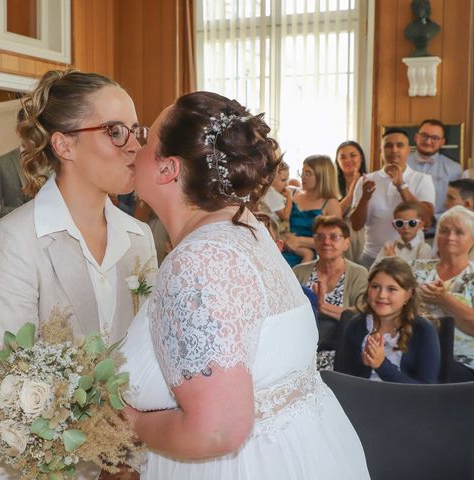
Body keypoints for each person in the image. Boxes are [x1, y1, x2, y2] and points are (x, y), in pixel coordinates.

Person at [119, 91, 369, 479]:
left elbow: (217, 429)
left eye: (147, 137)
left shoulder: (197, 261)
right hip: (303, 450)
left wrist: (130, 423)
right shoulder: (244, 225)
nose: (134, 146)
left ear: (168, 169)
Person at [0, 70, 157, 480]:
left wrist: (124, 452)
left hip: (128, 459)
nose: (135, 146)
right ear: (64, 144)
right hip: (29, 464)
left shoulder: (138, 237)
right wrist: (102, 451)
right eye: (115, 131)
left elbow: (146, 355)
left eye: (136, 131)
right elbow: (9, 390)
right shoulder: (13, 242)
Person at [335, 257, 440, 384]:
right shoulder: (356, 325)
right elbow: (342, 379)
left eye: (392, 289)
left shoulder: (423, 330)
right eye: (375, 287)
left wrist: (381, 365)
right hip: (361, 399)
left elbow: (427, 391)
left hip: (404, 402)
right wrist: (364, 363)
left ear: (408, 294)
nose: (381, 295)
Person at [351, 128, 435, 269]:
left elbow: (426, 220)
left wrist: (401, 186)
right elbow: (356, 225)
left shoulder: (422, 179)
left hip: (411, 257)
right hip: (371, 257)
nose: (394, 150)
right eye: (388, 146)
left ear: (409, 150)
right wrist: (365, 198)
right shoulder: (366, 180)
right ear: (381, 150)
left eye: (400, 145)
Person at [293, 216, 368, 370]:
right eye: (319, 237)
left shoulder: (358, 273)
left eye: (334, 237)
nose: (326, 242)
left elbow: (362, 312)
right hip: (300, 348)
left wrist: (324, 307)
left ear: (347, 243)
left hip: (342, 351)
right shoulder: (299, 271)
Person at [412, 206, 474, 382]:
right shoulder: (414, 268)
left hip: (463, 362)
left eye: (459, 232)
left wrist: (445, 300)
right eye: (444, 231)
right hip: (412, 352)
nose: (450, 237)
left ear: (473, 240)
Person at [282, 155, 342, 267]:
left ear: (322, 177)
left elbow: (334, 240)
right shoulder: (291, 192)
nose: (303, 177)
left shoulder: (331, 203)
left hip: (310, 260)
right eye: (302, 172)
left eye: (308, 173)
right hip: (282, 248)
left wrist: (299, 241)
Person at [407, 119, 462, 225]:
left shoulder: (454, 169)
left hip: (437, 230)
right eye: (424, 136)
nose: (428, 141)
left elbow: (457, 204)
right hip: (402, 228)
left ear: (442, 142)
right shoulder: (401, 164)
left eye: (435, 138)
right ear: (416, 137)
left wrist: (433, 219)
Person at [0, 110, 33, 219]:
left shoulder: (52, 161)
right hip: (13, 231)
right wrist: (25, 211)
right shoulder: (2, 163)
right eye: (27, 127)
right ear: (18, 129)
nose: (33, 132)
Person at [335, 140, 367, 262]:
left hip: (364, 238)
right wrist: (350, 194)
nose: (348, 160)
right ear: (337, 161)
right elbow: (332, 216)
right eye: (343, 157)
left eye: (353, 155)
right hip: (340, 239)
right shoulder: (331, 186)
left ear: (361, 158)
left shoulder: (371, 182)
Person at [258, 160, 291, 225]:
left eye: (287, 179)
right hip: (274, 226)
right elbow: (285, 217)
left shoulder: (273, 192)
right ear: (270, 178)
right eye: (283, 180)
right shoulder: (271, 194)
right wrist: (290, 197)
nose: (287, 184)